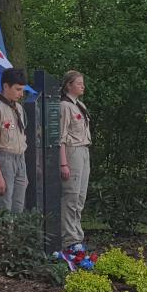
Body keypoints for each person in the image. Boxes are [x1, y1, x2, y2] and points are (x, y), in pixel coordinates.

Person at [0, 68, 29, 212]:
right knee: (3, 207)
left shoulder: (19, 109)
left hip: (20, 159)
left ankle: (15, 235)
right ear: (5, 86)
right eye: (17, 89)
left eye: (22, 90)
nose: (21, 94)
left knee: (18, 208)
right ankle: (3, 235)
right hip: (4, 160)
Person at [58, 71, 92, 252]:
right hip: (72, 152)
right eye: (78, 83)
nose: (82, 86)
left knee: (80, 196)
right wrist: (63, 163)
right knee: (71, 195)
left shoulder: (80, 105)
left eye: (82, 82)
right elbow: (61, 137)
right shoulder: (64, 106)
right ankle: (69, 240)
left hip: (84, 150)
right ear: (68, 85)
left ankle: (77, 235)